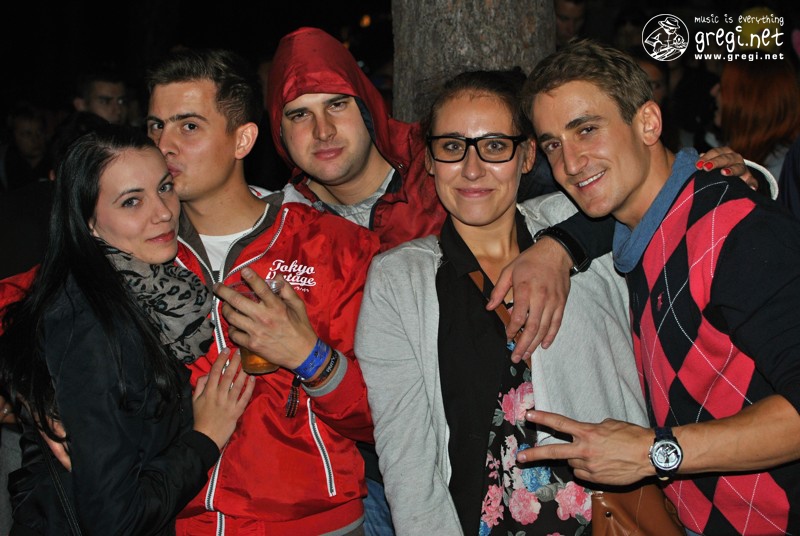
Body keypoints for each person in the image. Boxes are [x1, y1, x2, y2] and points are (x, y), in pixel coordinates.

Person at [517, 39, 800, 535]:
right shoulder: (641, 232)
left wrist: (653, 452)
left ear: (648, 123)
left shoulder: (737, 231)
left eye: (587, 129)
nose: (571, 163)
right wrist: (557, 247)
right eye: (553, 145)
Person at [355, 69, 648, 535]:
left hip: (617, 517)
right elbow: (407, 457)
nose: (472, 169)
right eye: (452, 146)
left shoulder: (581, 218)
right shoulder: (399, 281)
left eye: (494, 146)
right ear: (429, 159)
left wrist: (560, 248)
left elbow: (677, 191)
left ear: (527, 155)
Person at [144, 47, 380, 535]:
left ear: (242, 139)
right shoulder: (134, 250)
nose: (164, 145)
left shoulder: (336, 247)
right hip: (177, 521)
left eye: (188, 126)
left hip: (314, 524)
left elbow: (390, 417)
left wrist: (310, 357)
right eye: (155, 127)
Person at [0, 124, 255, 534]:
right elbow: (115, 520)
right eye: (131, 201)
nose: (163, 212)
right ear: (88, 222)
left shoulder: (141, 289)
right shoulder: (90, 322)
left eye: (165, 188)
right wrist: (205, 438)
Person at [709, 58, 800, 180]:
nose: (713, 92)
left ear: (748, 100)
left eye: (723, 88)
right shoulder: (721, 146)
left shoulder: (787, 169)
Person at [0, 102, 51, 192]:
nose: (35, 139)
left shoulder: (56, 162)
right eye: (27, 134)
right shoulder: (6, 165)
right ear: (13, 136)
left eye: (39, 131)